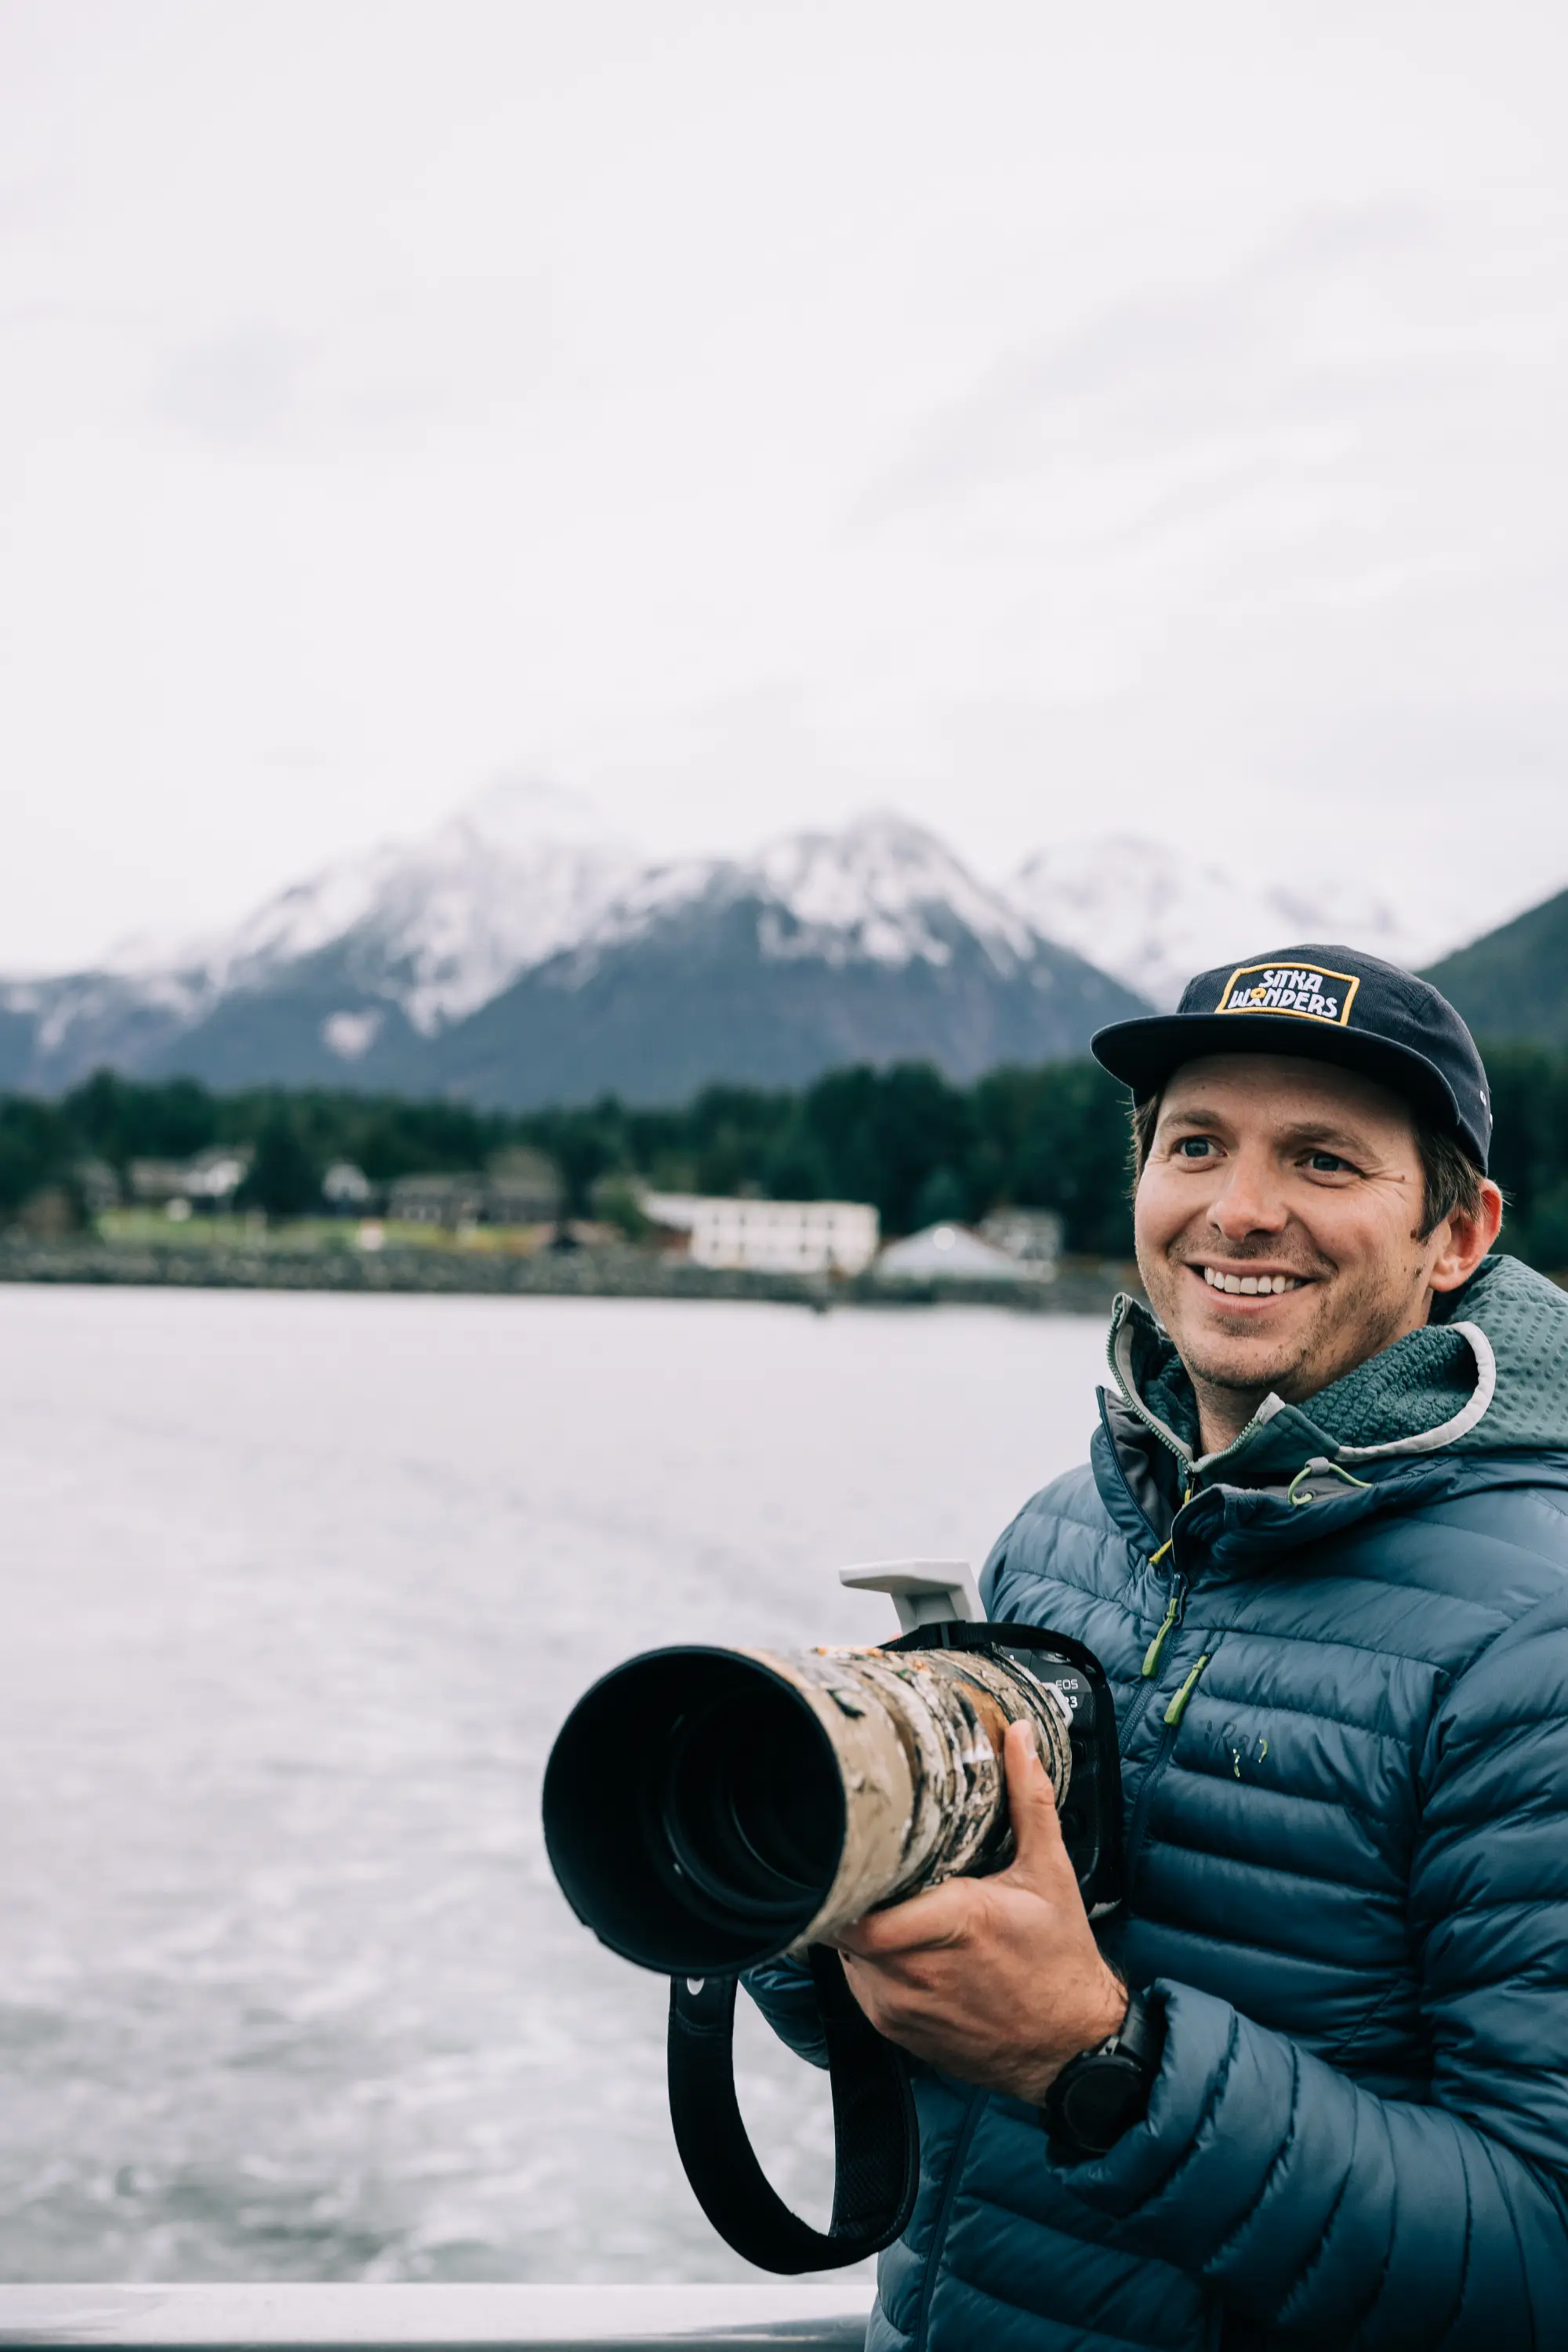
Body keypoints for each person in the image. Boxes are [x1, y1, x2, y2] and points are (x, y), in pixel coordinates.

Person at [750, 945, 1568, 2350]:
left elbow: (1542, 2260)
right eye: (1196, 1145)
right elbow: (934, 2065)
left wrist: (1104, 2063)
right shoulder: (1060, 1537)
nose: (1241, 1212)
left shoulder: (1534, 1644)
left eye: (1322, 1161)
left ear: (1457, 1234)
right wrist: (802, 1882)